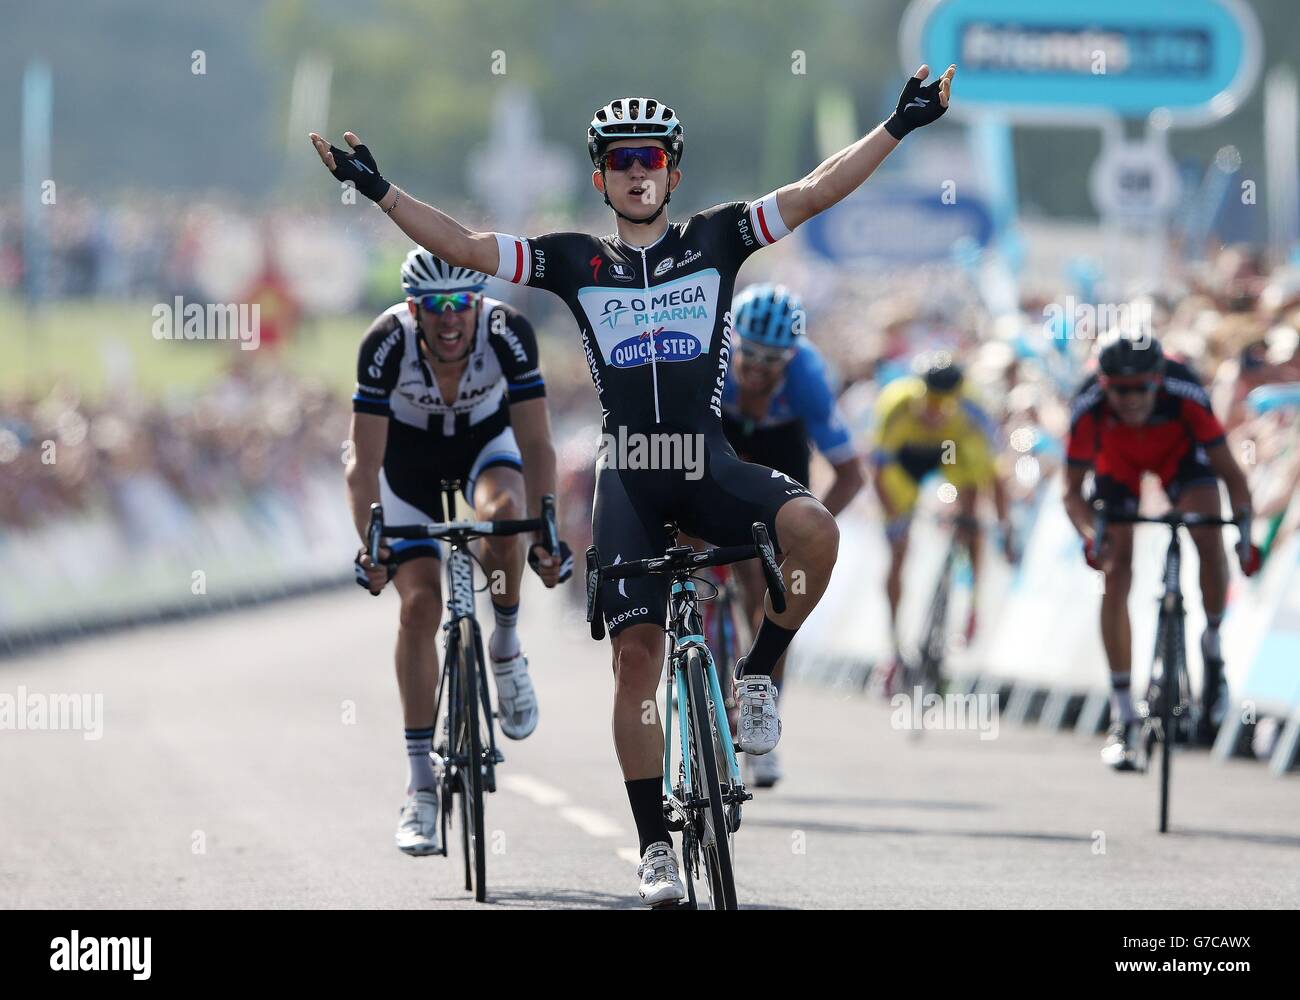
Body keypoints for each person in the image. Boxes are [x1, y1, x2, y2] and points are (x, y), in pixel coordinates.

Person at [312, 64, 955, 905]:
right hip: (633, 482)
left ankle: (758, 672)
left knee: (816, 532)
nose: (637, 170)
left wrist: (899, 125)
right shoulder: (574, 260)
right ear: (601, 177)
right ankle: (655, 848)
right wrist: (379, 191)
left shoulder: (718, 238)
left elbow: (811, 193)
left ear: (673, 172)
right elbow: (467, 248)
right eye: (621, 160)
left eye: (651, 157)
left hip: (707, 460)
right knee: (636, 665)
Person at [347, 249, 571, 855]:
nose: (450, 320)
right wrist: (372, 548)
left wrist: (546, 531)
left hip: (484, 447)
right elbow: (362, 464)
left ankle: (504, 643)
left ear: (478, 305)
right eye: (435, 307)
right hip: (408, 466)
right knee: (419, 605)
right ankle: (421, 785)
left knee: (504, 520)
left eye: (461, 306)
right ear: (414, 309)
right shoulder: (385, 343)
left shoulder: (508, 333)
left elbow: (537, 444)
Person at [1062, 331, 1255, 769]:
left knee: (1208, 535)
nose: (1131, 400)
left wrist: (1242, 532)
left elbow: (1233, 477)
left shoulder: (1186, 392)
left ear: (1158, 381)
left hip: (1180, 459)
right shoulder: (1087, 405)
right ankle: (1123, 715)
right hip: (1117, 466)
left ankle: (1212, 642)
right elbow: (1071, 493)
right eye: (1120, 391)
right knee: (1115, 568)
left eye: (1141, 389)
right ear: (1105, 385)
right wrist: (1092, 535)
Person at [718, 282, 864, 788]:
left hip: (782, 448)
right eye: (750, 355)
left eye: (772, 360)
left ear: (790, 357)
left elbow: (851, 474)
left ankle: (762, 712)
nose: (757, 368)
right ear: (732, 343)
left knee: (774, 597)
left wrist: (810, 535)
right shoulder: (712, 361)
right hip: (719, 437)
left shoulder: (806, 377)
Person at [871, 353, 1011, 675]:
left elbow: (994, 477)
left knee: (972, 511)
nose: (934, 413)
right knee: (898, 550)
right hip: (905, 463)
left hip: (951, 452)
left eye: (942, 406)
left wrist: (1004, 526)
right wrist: (895, 522)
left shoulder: (973, 410)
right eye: (929, 403)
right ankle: (893, 646)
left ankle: (973, 606)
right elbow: (877, 473)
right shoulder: (896, 403)